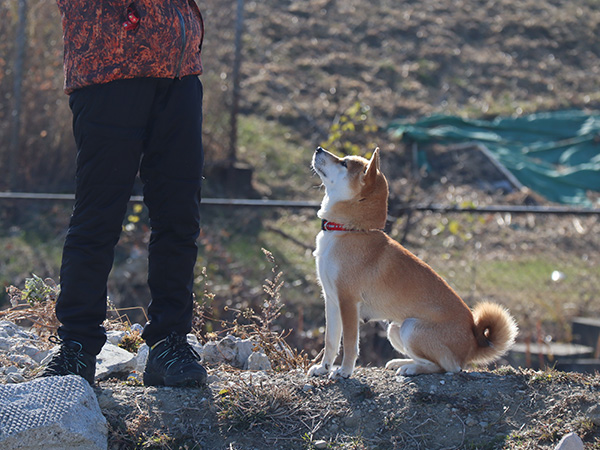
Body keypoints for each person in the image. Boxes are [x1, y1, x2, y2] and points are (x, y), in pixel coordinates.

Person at [40, 0, 207, 386]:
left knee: (180, 216)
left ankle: (169, 342)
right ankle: (77, 347)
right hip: (106, 71)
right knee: (98, 217)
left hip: (179, 73)